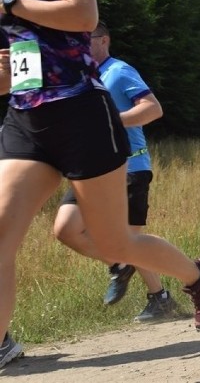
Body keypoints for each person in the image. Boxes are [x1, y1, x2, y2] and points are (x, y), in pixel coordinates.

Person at [0, 0, 200, 357]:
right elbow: (20, 68)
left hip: (80, 113)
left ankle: (197, 275)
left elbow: (83, 15)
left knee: (116, 242)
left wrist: (13, 5)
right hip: (27, 118)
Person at [52, 20, 177, 323]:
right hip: (91, 168)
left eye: (87, 37)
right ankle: (126, 269)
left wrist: (111, 120)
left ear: (104, 40)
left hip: (130, 166)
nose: (80, 43)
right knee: (66, 229)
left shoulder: (118, 72)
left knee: (129, 241)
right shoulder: (80, 77)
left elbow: (153, 109)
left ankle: (179, 284)